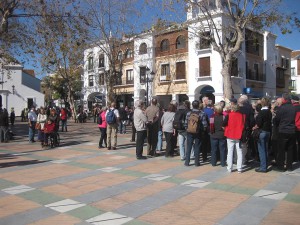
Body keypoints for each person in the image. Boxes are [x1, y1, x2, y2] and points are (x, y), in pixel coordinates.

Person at [273, 93, 296, 171]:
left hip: (283, 130)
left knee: (281, 149)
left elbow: (277, 119)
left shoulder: (282, 108)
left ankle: (281, 167)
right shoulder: (293, 107)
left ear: (284, 99)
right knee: (290, 149)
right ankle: (289, 166)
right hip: (292, 130)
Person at [184, 100, 208, 167]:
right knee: (197, 147)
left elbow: (186, 123)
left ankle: (187, 162)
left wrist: (187, 129)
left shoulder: (189, 113)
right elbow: (204, 124)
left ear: (192, 105)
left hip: (189, 132)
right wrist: (203, 130)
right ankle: (197, 162)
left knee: (189, 147)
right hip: (198, 132)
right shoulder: (202, 113)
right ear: (198, 105)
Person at [223, 104, 244, 173]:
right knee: (239, 151)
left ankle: (229, 167)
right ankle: (239, 168)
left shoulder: (228, 115)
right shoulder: (242, 115)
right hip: (239, 134)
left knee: (230, 151)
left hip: (230, 134)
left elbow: (224, 123)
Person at [253, 98, 272, 173]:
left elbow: (259, 123)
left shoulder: (262, 112)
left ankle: (263, 167)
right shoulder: (269, 112)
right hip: (268, 131)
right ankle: (266, 164)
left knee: (261, 150)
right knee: (266, 149)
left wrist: (255, 127)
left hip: (262, 132)